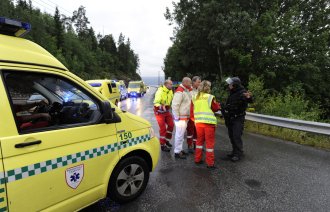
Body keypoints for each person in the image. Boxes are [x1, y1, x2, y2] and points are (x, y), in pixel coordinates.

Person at [222, 77, 253, 162]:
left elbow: (249, 100)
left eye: (230, 84)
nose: (229, 85)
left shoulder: (242, 92)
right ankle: (234, 151)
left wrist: (248, 97)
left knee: (236, 135)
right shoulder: (232, 93)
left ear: (235, 85)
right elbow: (230, 104)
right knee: (231, 135)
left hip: (238, 118)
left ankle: (238, 153)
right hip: (230, 117)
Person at [193, 80, 221, 169]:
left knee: (199, 142)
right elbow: (215, 108)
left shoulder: (195, 97)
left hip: (198, 123)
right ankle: (210, 163)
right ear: (208, 87)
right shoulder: (210, 97)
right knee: (209, 144)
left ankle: (197, 159)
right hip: (208, 123)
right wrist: (218, 105)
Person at [172, 77, 192, 159]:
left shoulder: (185, 90)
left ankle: (180, 149)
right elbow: (175, 105)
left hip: (183, 117)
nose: (191, 84)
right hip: (180, 118)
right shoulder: (180, 91)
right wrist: (176, 117)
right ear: (185, 82)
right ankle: (177, 152)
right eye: (190, 83)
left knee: (181, 135)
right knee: (179, 135)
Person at [153, 80, 174, 152]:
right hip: (159, 111)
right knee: (163, 128)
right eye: (171, 84)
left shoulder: (170, 91)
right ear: (166, 85)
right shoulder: (160, 91)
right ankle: (162, 145)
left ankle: (167, 141)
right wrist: (161, 107)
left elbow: (171, 101)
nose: (172, 85)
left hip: (166, 111)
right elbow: (156, 103)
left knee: (171, 125)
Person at [186, 76, 201, 153]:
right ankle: (189, 145)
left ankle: (195, 145)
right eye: (198, 82)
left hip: (198, 114)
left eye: (200, 82)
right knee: (190, 131)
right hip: (190, 114)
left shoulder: (199, 91)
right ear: (193, 82)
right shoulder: (189, 91)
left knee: (197, 131)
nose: (199, 83)